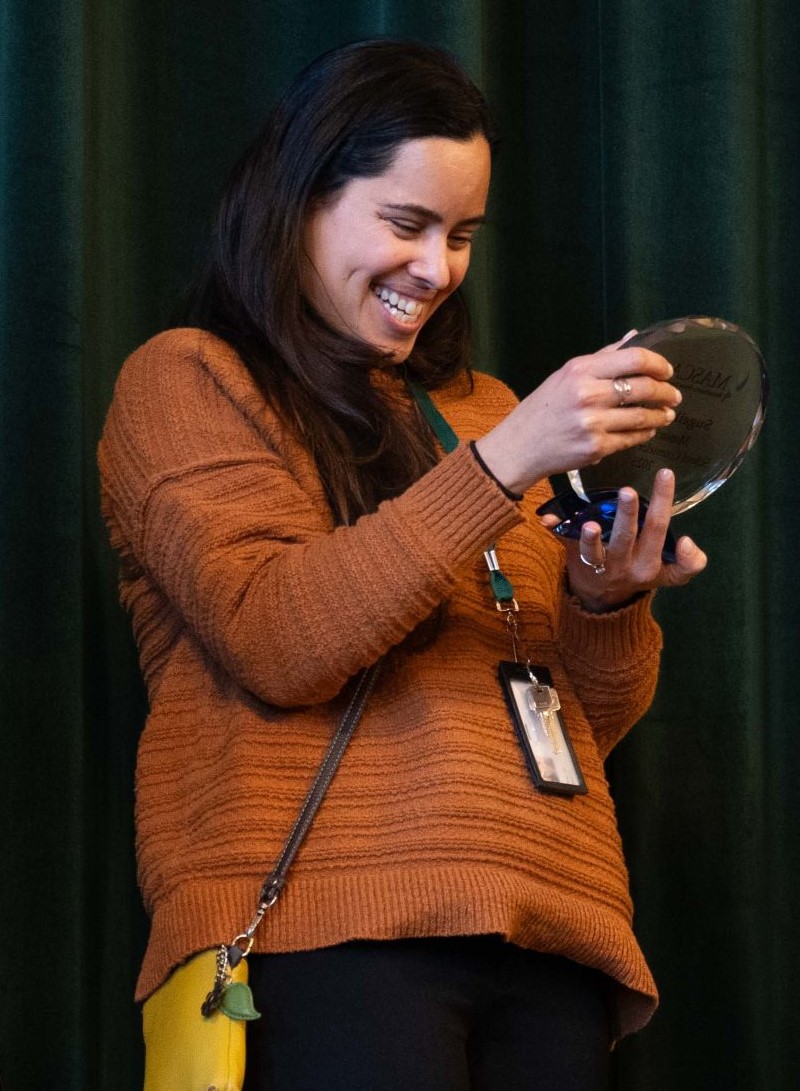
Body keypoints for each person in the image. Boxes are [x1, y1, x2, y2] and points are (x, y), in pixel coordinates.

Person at [99, 38, 706, 1091]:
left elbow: (577, 724)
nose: (437, 267)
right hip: (325, 938)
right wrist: (506, 462)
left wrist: (607, 602)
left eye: (461, 234)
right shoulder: (187, 378)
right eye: (405, 223)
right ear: (298, 201)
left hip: (550, 934)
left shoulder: (484, 408)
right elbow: (274, 638)